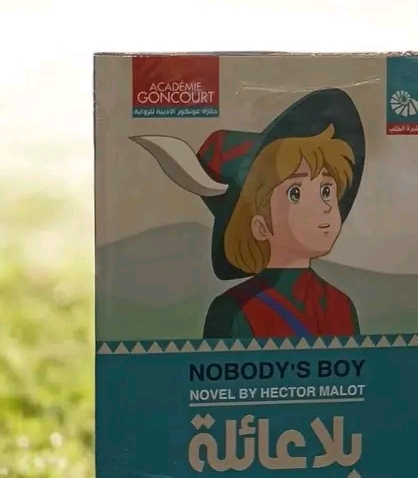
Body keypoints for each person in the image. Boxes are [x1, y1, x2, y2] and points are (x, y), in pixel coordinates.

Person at [130, 88, 366, 339]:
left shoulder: (341, 305)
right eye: (295, 193)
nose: (324, 205)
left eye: (326, 190)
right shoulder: (234, 312)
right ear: (260, 226)